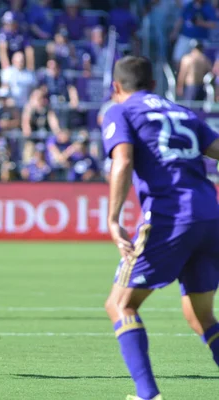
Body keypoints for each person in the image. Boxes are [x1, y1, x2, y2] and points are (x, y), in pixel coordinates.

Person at [102, 56, 219, 400]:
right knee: (201, 317)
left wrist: (113, 219)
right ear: (154, 85)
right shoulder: (184, 112)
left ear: (116, 87)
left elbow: (122, 160)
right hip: (210, 217)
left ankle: (147, 395)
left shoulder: (120, 110)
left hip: (170, 217)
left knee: (120, 304)